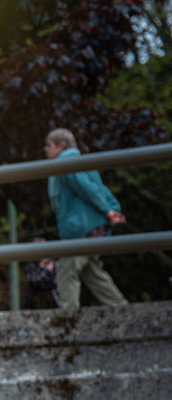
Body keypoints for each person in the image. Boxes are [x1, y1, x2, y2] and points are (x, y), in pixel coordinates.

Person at [44, 128, 128, 309]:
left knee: (67, 270)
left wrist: (108, 211)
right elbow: (98, 188)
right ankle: (121, 308)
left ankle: (68, 318)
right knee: (93, 273)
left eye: (49, 145)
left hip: (81, 227)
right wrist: (111, 208)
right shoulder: (80, 162)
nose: (45, 149)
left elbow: (87, 188)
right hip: (92, 226)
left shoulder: (66, 162)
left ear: (62, 146)